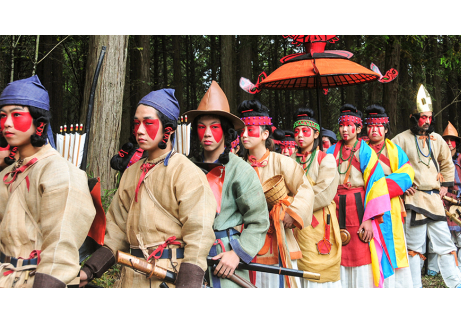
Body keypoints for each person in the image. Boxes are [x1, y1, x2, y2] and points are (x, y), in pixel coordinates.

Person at [80, 88, 217, 288]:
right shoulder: (130, 173)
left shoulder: (186, 172)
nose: (140, 130)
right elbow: (116, 231)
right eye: (136, 123)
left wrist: (189, 285)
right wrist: (89, 270)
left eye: (148, 123)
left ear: (168, 130)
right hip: (131, 277)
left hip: (170, 276)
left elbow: (200, 233)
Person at [0, 75, 96, 287]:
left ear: (40, 124)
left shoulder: (60, 172)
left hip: (37, 283)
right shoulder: (7, 173)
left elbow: (60, 250)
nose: (6, 123)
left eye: (16, 115)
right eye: (2, 115)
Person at [182, 81, 269, 288]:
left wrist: (237, 253)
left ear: (227, 131)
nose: (208, 133)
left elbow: (259, 220)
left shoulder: (241, 170)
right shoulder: (185, 168)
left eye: (215, 127)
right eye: (202, 127)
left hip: (225, 259)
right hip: (189, 258)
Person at [392, 85, 461, 288]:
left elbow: (447, 163)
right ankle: (413, 288)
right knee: (414, 247)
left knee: (445, 243)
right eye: (422, 117)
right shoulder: (400, 139)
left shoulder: (437, 139)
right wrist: (400, 185)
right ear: (414, 117)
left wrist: (446, 187)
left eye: (429, 117)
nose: (426, 121)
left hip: (434, 200)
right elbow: (386, 163)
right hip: (413, 201)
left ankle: (457, 284)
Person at [238, 99, 314, 288]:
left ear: (265, 134)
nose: (244, 135)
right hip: (245, 239)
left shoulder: (282, 162)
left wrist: (292, 211)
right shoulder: (237, 165)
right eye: (242, 130)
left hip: (279, 239)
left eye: (251, 129)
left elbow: (305, 187)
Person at [328, 104, 391, 288]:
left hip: (359, 208)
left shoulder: (365, 151)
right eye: (342, 125)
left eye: (349, 125)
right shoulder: (331, 151)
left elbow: (376, 186)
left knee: (361, 251)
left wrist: (370, 220)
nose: (345, 129)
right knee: (337, 252)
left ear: (358, 128)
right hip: (335, 206)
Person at [364, 104, 414, 288]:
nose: (374, 130)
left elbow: (407, 174)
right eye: (370, 125)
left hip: (389, 207)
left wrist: (378, 187)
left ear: (386, 129)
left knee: (393, 247)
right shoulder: (361, 150)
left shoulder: (394, 151)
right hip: (367, 206)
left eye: (378, 126)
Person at [290, 107, 341, 288]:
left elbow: (325, 192)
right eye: (296, 132)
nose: (300, 136)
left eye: (305, 131)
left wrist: (297, 208)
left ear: (316, 133)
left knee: (318, 261)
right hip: (294, 221)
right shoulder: (289, 160)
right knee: (297, 262)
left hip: (317, 219)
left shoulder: (326, 159)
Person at [427, 121, 461, 280]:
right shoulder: (435, 160)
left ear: (457, 143)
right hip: (441, 202)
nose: (449, 144)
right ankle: (440, 269)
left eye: (452, 140)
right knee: (441, 237)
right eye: (446, 140)